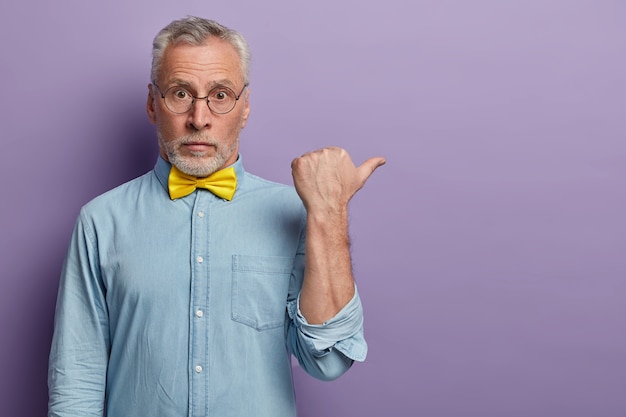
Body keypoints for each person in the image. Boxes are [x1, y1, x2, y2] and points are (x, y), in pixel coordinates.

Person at [48, 16, 385, 417]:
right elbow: (76, 383)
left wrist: (329, 213)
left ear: (244, 108)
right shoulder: (101, 222)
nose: (199, 118)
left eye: (220, 95)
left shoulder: (294, 214)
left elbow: (328, 362)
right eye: (180, 93)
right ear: (153, 104)